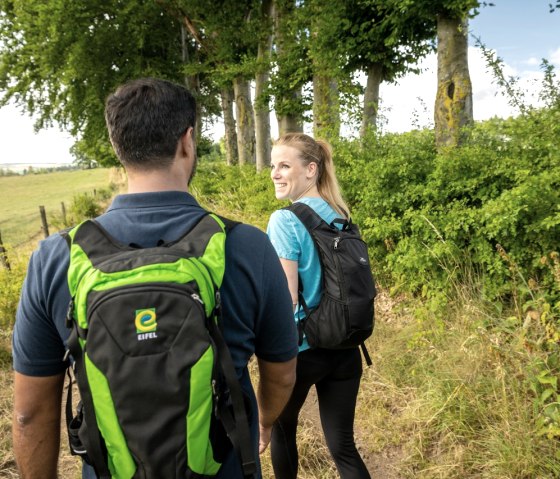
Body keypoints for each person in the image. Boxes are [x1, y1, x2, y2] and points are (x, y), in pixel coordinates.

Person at [12, 77, 298, 479]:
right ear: (187, 140)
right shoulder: (248, 246)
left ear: (118, 146)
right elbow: (282, 371)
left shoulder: (55, 258)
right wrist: (264, 421)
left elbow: (29, 413)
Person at [267, 132, 371, 479]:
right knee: (344, 448)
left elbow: (287, 299)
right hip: (345, 348)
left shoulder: (285, 219)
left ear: (311, 169)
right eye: (273, 166)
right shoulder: (340, 213)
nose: (275, 174)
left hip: (303, 349)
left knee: (282, 432)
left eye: (284, 165)